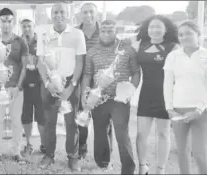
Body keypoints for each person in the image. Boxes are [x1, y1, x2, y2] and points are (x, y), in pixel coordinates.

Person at [81, 20, 140, 174]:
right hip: (98, 98)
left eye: (110, 30)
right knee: (100, 133)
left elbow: (136, 72)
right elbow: (87, 74)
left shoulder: (127, 49)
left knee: (122, 134)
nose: (106, 33)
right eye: (104, 30)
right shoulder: (92, 51)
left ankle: (128, 169)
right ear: (99, 32)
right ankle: (103, 165)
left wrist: (130, 90)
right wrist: (85, 93)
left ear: (116, 31)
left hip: (119, 99)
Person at [163, 21, 207, 174]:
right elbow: (167, 84)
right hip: (178, 110)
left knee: (200, 153)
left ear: (198, 35)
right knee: (182, 152)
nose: (184, 37)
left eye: (189, 33)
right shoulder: (173, 56)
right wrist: (170, 109)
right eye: (181, 34)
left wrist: (199, 109)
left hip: (203, 111)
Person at [36, 3, 86, 171]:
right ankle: (49, 155)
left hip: (70, 84)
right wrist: (46, 83)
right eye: (55, 12)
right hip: (49, 84)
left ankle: (73, 157)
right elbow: (40, 62)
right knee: (49, 121)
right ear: (51, 15)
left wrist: (71, 87)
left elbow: (80, 63)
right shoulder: (44, 34)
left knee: (71, 123)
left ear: (68, 14)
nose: (58, 15)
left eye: (61, 12)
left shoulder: (77, 34)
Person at [134, 15, 179, 174]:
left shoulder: (173, 47)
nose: (154, 29)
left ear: (166, 29)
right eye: (152, 26)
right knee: (141, 134)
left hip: (165, 96)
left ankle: (160, 169)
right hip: (145, 95)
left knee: (163, 133)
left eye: (158, 26)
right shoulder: (141, 45)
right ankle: (142, 167)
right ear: (147, 29)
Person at [0, 8, 28, 164]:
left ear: (13, 22)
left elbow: (24, 66)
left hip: (15, 87)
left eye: (9, 21)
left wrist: (18, 86)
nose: (6, 24)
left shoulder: (21, 41)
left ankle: (16, 151)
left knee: (16, 120)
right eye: (3, 20)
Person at [75, 2, 110, 160]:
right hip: (81, 79)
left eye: (91, 12)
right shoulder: (75, 32)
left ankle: (105, 153)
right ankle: (82, 147)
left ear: (97, 14)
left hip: (101, 82)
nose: (88, 15)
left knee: (103, 118)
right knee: (82, 115)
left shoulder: (105, 32)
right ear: (80, 15)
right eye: (85, 12)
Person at [19, 19, 46, 156]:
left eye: (29, 26)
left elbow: (47, 63)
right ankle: (28, 144)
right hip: (25, 88)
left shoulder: (41, 43)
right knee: (26, 117)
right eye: (24, 26)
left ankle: (44, 144)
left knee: (41, 117)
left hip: (40, 86)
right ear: (21, 28)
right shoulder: (18, 43)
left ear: (33, 27)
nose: (27, 29)